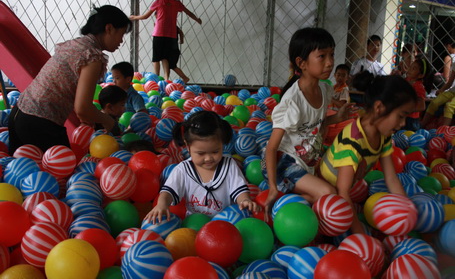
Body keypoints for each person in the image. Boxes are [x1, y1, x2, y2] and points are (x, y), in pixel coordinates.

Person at [8, 5, 132, 154]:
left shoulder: (76, 44)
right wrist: (109, 121)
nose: (122, 41)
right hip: (40, 123)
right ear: (109, 28)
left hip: (19, 114)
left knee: (19, 173)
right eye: (122, 34)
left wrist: (92, 117)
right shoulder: (93, 56)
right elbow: (82, 109)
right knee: (64, 173)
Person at [262, 28, 353, 221]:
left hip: (306, 161)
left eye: (332, 55)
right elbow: (271, 148)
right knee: (329, 194)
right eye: (322, 56)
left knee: (332, 192)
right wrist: (272, 188)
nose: (330, 62)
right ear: (301, 63)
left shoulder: (324, 88)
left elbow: (316, 124)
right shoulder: (292, 102)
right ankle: (280, 201)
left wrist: (338, 117)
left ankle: (289, 199)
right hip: (284, 162)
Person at [318, 75, 416, 234]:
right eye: (401, 115)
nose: (403, 124)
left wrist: (406, 211)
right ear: (379, 108)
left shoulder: (383, 135)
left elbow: (391, 178)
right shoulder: (353, 141)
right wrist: (361, 234)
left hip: (349, 187)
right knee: (335, 209)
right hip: (327, 190)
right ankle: (306, 198)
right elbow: (342, 193)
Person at [145, 110, 260, 223]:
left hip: (225, 225)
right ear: (188, 146)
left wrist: (245, 200)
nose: (208, 158)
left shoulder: (229, 166)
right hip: (194, 224)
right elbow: (168, 192)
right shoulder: (183, 169)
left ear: (222, 144)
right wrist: (161, 205)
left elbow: (239, 190)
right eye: (201, 153)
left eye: (215, 151)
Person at [130, 0, 202, 82]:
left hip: (159, 34)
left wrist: (135, 17)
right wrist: (197, 19)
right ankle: (166, 79)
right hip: (171, 35)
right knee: (165, 58)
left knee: (156, 58)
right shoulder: (176, 3)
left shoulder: (158, 2)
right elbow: (189, 13)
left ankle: (156, 79)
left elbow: (146, 16)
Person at [421, 41, 455, 127]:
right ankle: (422, 124)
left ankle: (444, 131)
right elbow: (450, 81)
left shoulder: (449, 58)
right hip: (452, 90)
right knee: (435, 102)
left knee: (449, 106)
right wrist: (442, 89)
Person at [403, 58, 430, 131]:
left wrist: (408, 110)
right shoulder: (407, 80)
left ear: (420, 75)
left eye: (414, 68)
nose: (410, 69)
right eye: (411, 67)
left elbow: (422, 106)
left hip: (411, 120)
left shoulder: (418, 86)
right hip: (403, 116)